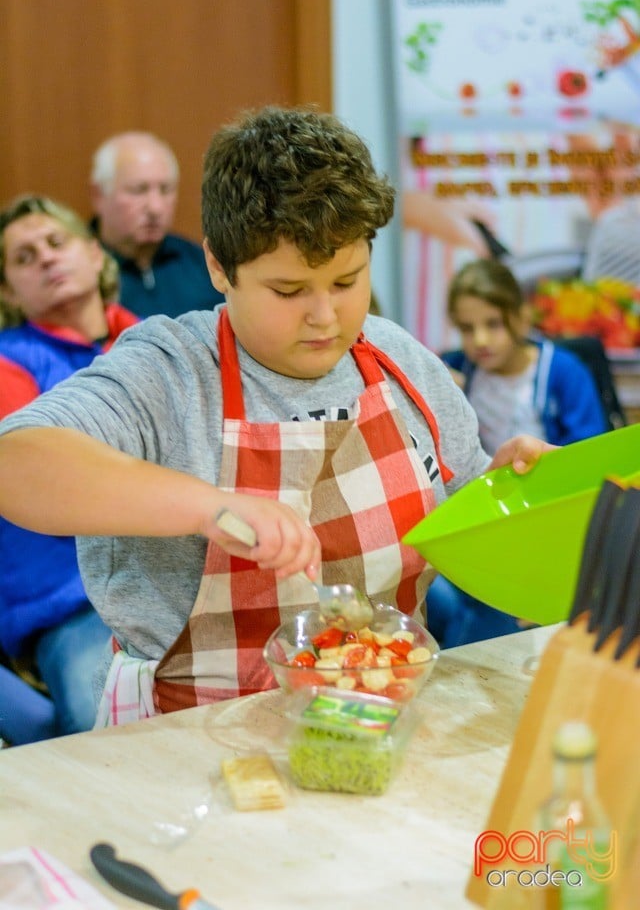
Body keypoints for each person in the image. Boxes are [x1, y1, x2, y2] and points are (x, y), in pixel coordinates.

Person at [0, 107, 550, 727]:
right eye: (288, 291)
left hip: (375, 717)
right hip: (185, 734)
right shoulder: (172, 370)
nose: (325, 317)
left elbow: (475, 533)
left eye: (347, 280)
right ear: (217, 268)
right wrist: (212, 509)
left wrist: (519, 497)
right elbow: (17, 462)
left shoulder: (400, 363)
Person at [0, 194, 139, 735]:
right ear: (10, 290)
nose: (47, 259)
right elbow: (45, 476)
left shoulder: (155, 337)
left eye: (57, 243)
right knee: (108, 735)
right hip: (69, 601)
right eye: (25, 257)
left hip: (187, 575)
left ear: (94, 252)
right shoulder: (9, 361)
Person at [428, 257, 609, 649]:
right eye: (466, 328)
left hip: (546, 517)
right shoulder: (456, 370)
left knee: (479, 616)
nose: (479, 340)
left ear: (521, 317)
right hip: (486, 519)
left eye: (492, 324)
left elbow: (587, 457)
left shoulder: (562, 372)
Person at [90, 131, 225, 318]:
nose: (155, 207)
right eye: (138, 190)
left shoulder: (205, 264)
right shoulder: (77, 271)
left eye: (166, 189)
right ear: (99, 195)